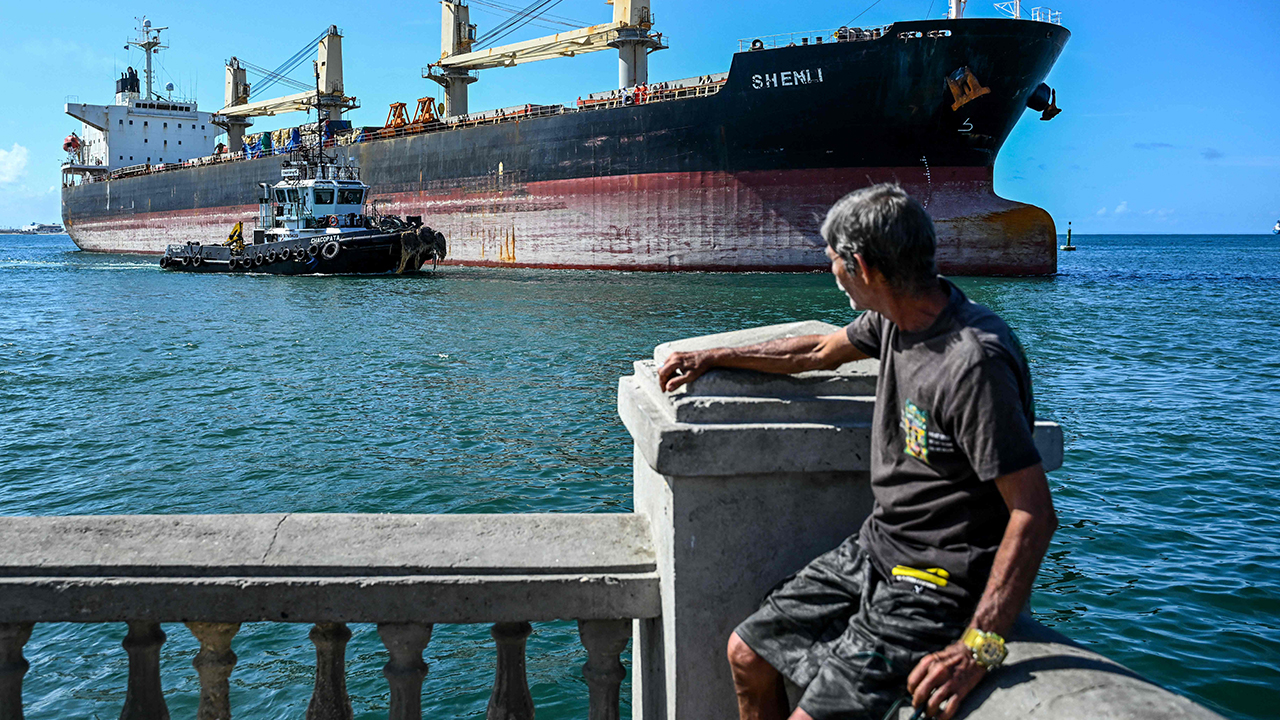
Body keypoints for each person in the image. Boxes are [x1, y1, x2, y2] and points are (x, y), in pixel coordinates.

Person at [657, 184, 1058, 720]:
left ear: (863, 267)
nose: (833, 273)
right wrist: (715, 356)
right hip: (880, 547)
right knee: (747, 653)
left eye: (833, 263)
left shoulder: (973, 364)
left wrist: (980, 646)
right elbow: (819, 350)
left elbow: (1033, 512)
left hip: (938, 582)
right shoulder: (897, 315)